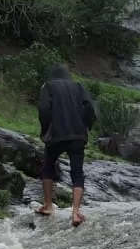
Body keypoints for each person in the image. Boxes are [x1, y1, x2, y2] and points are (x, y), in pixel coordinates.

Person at [36, 65, 96, 226]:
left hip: (56, 134)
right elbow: (89, 107)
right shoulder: (78, 86)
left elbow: (44, 109)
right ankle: (76, 213)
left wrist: (45, 128)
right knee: (77, 172)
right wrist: (86, 125)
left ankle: (48, 206)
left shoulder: (48, 86)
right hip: (77, 135)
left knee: (48, 167)